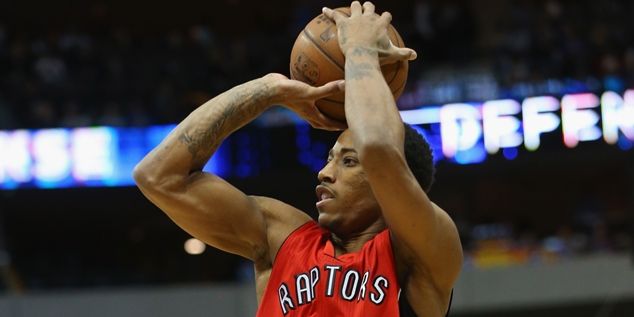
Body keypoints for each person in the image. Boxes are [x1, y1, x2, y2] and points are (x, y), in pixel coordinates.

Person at [133, 2, 462, 316]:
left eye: (348, 161)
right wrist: (267, 91)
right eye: (329, 159)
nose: (324, 173)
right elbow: (158, 176)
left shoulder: (422, 250)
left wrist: (360, 52)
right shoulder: (283, 238)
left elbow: (379, 150)